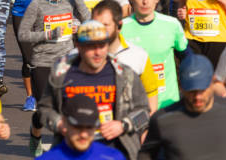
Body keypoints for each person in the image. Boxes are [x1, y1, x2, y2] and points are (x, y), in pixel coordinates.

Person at [38, 20, 150, 160]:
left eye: (102, 46)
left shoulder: (124, 74)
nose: (98, 52)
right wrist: (59, 123)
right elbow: (44, 108)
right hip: (72, 152)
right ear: (78, 46)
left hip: (115, 150)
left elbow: (145, 111)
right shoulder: (61, 73)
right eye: (91, 47)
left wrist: (123, 125)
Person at [19, 0, 90, 155]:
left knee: (67, 108)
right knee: (44, 111)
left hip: (67, 60)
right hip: (42, 62)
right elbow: (23, 34)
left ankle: (63, 149)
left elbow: (88, 18)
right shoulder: (36, 4)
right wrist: (48, 34)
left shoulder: (70, 0)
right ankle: (35, 134)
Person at [139, 54, 226, 159]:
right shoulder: (162, 119)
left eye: (202, 89)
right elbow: (145, 154)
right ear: (182, 87)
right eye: (192, 91)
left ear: (212, 83)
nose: (197, 96)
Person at [122, 0, 190, 109]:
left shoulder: (172, 25)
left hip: (167, 104)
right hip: (133, 106)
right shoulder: (120, 29)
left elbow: (187, 58)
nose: (145, 1)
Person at [35, 95, 125, 160]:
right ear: (64, 123)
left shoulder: (114, 157)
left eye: (89, 127)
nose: (83, 134)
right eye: (78, 127)